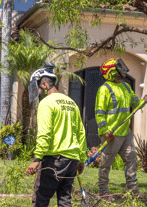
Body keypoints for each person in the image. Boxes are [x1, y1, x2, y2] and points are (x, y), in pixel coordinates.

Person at [25, 64, 88, 207]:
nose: (37, 90)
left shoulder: (46, 103)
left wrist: (37, 158)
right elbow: (81, 133)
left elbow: (44, 133)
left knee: (41, 198)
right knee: (65, 199)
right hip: (72, 160)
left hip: (54, 161)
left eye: (38, 85)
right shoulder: (71, 103)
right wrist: (81, 159)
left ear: (45, 83)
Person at [95, 57, 141, 197]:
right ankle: (103, 191)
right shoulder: (104, 89)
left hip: (125, 132)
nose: (123, 69)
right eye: (119, 67)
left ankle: (133, 190)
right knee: (106, 163)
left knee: (131, 159)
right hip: (111, 134)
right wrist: (104, 131)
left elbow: (135, 102)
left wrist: (143, 101)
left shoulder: (126, 86)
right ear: (112, 72)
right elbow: (99, 112)